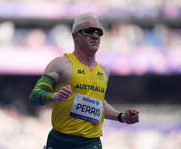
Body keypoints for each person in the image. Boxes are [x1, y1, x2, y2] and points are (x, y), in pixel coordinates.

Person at [29, 13, 139, 149]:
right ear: (75, 36)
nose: (95, 36)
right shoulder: (61, 64)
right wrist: (53, 96)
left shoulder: (104, 71)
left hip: (91, 143)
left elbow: (98, 103)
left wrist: (121, 117)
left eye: (99, 32)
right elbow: (34, 96)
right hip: (61, 141)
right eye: (89, 31)